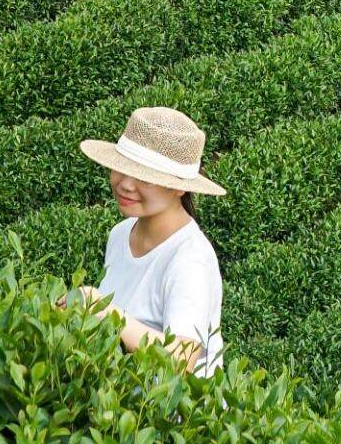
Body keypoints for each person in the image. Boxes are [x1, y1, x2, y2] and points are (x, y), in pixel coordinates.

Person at [66, 105, 226, 377]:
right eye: (121, 168)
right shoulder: (120, 233)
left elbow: (181, 358)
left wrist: (102, 309)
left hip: (172, 415)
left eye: (144, 177)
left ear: (179, 187)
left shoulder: (190, 259)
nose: (125, 184)